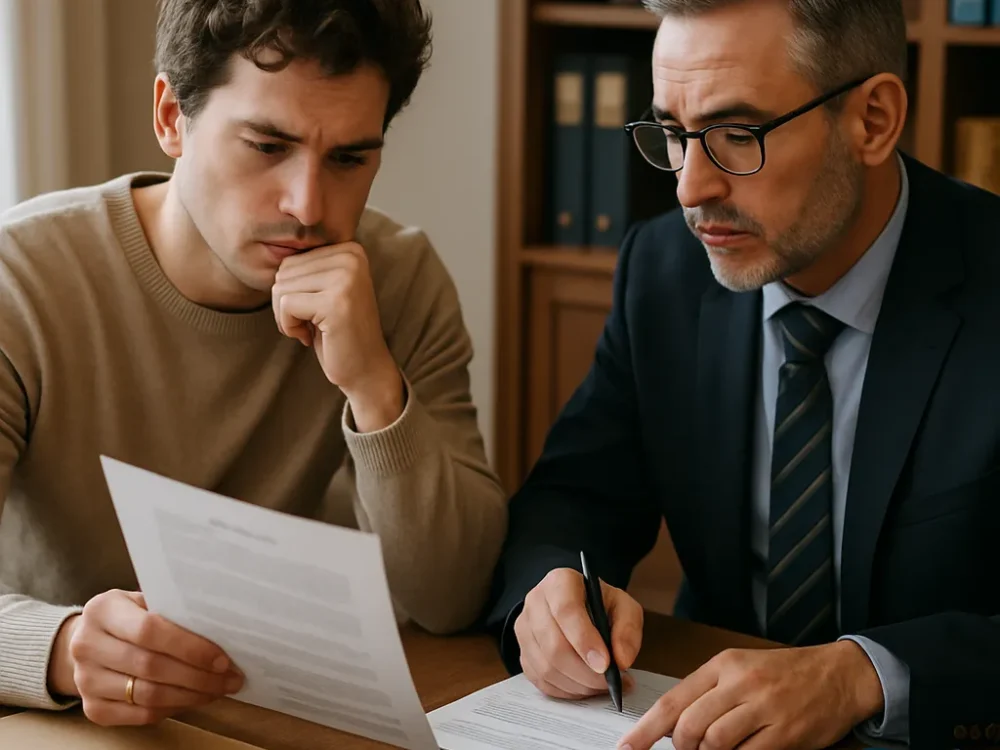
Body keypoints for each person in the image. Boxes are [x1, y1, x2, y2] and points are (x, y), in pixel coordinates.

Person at [486, 0, 1000, 748]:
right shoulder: (661, 271)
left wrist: (863, 673)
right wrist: (553, 594)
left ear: (873, 120)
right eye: (672, 133)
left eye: (737, 135)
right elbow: (572, 498)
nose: (690, 189)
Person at [0, 0, 507, 728]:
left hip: (268, 714)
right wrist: (62, 645)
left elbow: (454, 596)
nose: (307, 205)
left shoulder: (398, 281)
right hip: (64, 721)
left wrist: (372, 383)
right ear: (172, 117)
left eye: (349, 159)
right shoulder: (21, 279)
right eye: (267, 146)